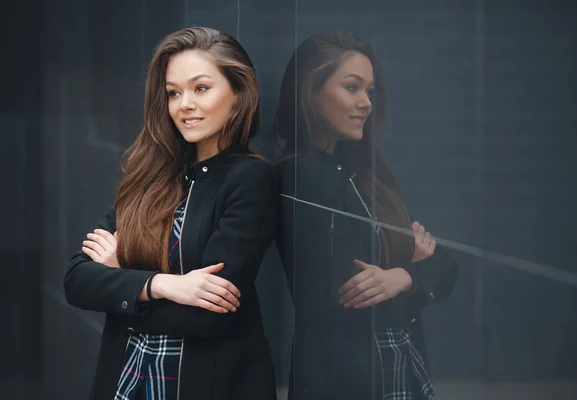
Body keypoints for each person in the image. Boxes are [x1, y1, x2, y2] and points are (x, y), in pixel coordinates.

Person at [64, 27, 278, 400]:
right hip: (128, 379)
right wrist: (162, 285)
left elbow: (209, 313)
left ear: (238, 93)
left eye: (201, 88)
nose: (184, 105)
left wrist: (123, 283)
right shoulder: (151, 174)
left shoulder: (251, 178)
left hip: (201, 383)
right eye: (174, 93)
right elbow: (76, 280)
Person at [275, 32, 458, 399]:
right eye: (352, 88)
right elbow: (351, 295)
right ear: (310, 93)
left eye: (369, 91)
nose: (366, 103)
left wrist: (402, 276)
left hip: (395, 360)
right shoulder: (303, 177)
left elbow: (447, 267)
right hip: (346, 374)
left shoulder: (363, 172)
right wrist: (410, 267)